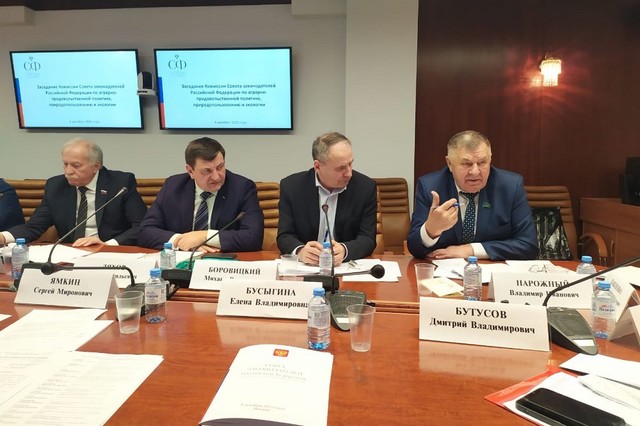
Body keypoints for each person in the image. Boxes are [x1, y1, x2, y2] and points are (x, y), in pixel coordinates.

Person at [407, 130, 537, 260]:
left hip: (492, 269)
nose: (475, 172)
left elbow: (528, 245)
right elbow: (415, 248)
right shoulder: (430, 187)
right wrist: (431, 230)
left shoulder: (510, 187)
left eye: (482, 163)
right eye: (466, 164)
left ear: (490, 159)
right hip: (443, 270)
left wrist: (471, 250)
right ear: (450, 164)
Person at [0, 138, 147, 247]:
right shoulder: (56, 186)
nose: (68, 171)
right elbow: (34, 226)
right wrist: (3, 237)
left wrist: (108, 244)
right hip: (71, 254)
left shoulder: (120, 184)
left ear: (96, 166)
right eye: (65, 164)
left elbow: (141, 226)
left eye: (76, 166)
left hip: (111, 252)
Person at [138, 137, 263, 252]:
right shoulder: (173, 186)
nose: (216, 176)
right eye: (207, 171)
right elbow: (145, 231)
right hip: (182, 260)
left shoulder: (242, 188)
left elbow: (253, 237)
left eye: (220, 167)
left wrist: (204, 236)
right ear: (190, 171)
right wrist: (182, 241)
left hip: (221, 260)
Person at [277, 131, 377, 265]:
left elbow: (367, 238)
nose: (349, 173)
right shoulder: (292, 187)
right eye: (341, 168)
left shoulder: (365, 188)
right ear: (318, 166)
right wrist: (301, 251)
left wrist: (344, 250)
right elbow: (285, 236)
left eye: (350, 164)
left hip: (345, 267)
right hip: (305, 267)